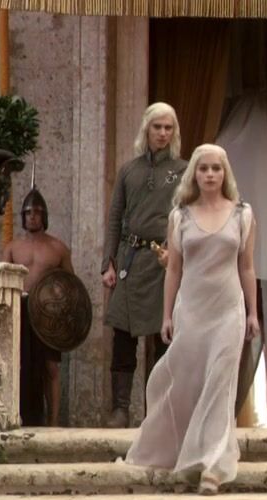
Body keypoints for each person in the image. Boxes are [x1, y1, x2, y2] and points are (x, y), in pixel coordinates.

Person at [123, 144, 259, 495]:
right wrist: (166, 314)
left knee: (219, 386)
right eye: (204, 168)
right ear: (194, 174)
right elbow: (174, 270)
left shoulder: (242, 214)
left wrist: (253, 312)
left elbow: (247, 268)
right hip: (192, 311)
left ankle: (212, 466)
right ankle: (182, 451)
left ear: (225, 173)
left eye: (216, 168)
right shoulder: (180, 217)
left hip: (228, 311)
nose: (210, 174)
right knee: (186, 384)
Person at [102, 102, 189, 428]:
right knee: (123, 337)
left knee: (163, 337)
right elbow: (115, 218)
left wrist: (178, 255)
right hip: (130, 260)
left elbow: (191, 216)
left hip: (164, 262)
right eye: (157, 127)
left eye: (168, 128)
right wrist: (108, 263)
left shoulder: (184, 170)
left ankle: (160, 412)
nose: (163, 133)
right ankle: (120, 409)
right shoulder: (128, 170)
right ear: (146, 129)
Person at [7, 187, 73, 427]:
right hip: (20, 310)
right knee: (20, 365)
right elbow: (2, 283)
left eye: (36, 212)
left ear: (44, 216)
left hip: (47, 314)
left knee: (50, 367)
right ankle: (17, 417)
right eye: (28, 213)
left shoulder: (58, 248)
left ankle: (53, 423)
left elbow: (70, 285)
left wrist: (58, 299)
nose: (32, 216)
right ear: (23, 217)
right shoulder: (13, 248)